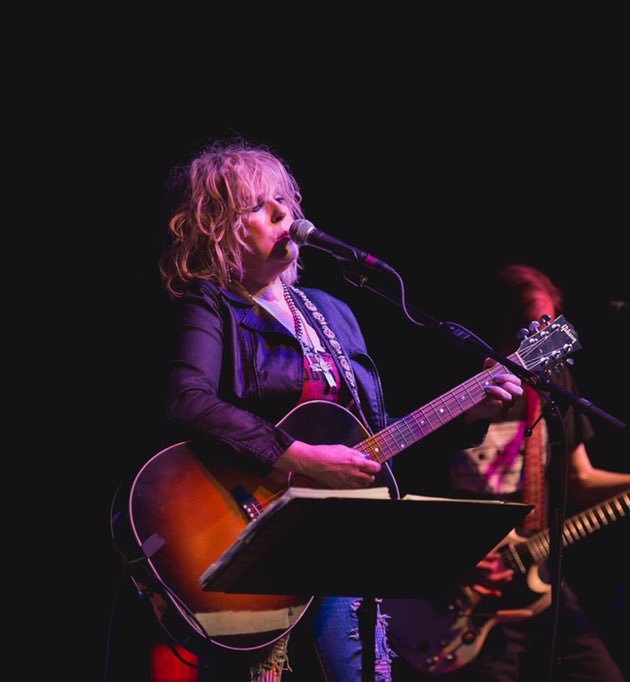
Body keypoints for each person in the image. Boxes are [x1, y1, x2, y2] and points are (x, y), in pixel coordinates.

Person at [157, 140, 522, 682]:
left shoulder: (332, 313)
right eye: (257, 205)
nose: (282, 213)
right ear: (216, 229)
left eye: (284, 200)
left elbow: (372, 435)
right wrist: (300, 457)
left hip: (337, 533)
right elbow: (188, 401)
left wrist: (472, 410)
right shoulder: (210, 304)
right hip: (245, 530)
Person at [390, 264, 630, 682]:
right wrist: (451, 558)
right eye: (531, 328)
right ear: (502, 327)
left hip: (536, 576)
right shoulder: (455, 386)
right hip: (457, 592)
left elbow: (579, 479)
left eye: (549, 326)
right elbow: (403, 487)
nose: (542, 341)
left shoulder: (553, 380)